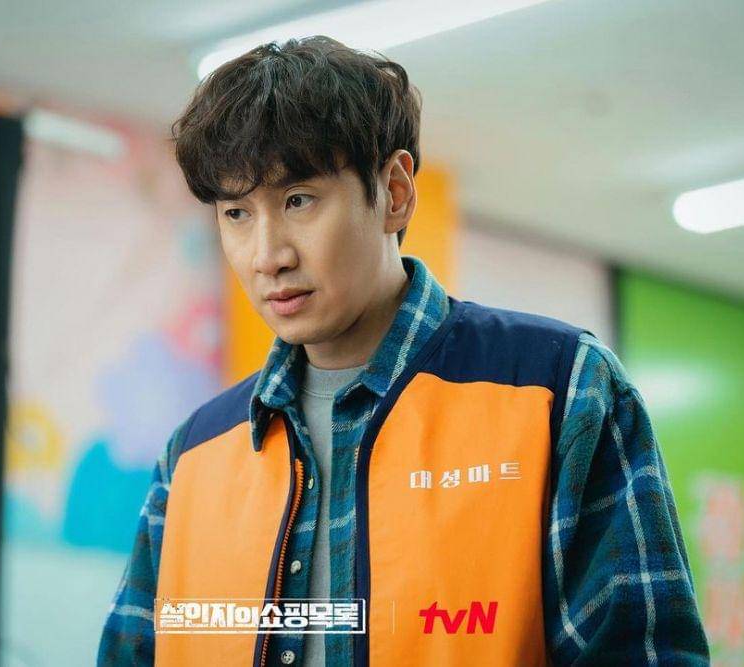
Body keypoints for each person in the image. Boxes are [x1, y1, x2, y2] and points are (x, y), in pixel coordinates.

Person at [97, 35, 709, 666]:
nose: (267, 255)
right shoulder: (193, 455)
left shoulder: (559, 390)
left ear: (393, 192)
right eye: (236, 214)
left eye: (298, 200)